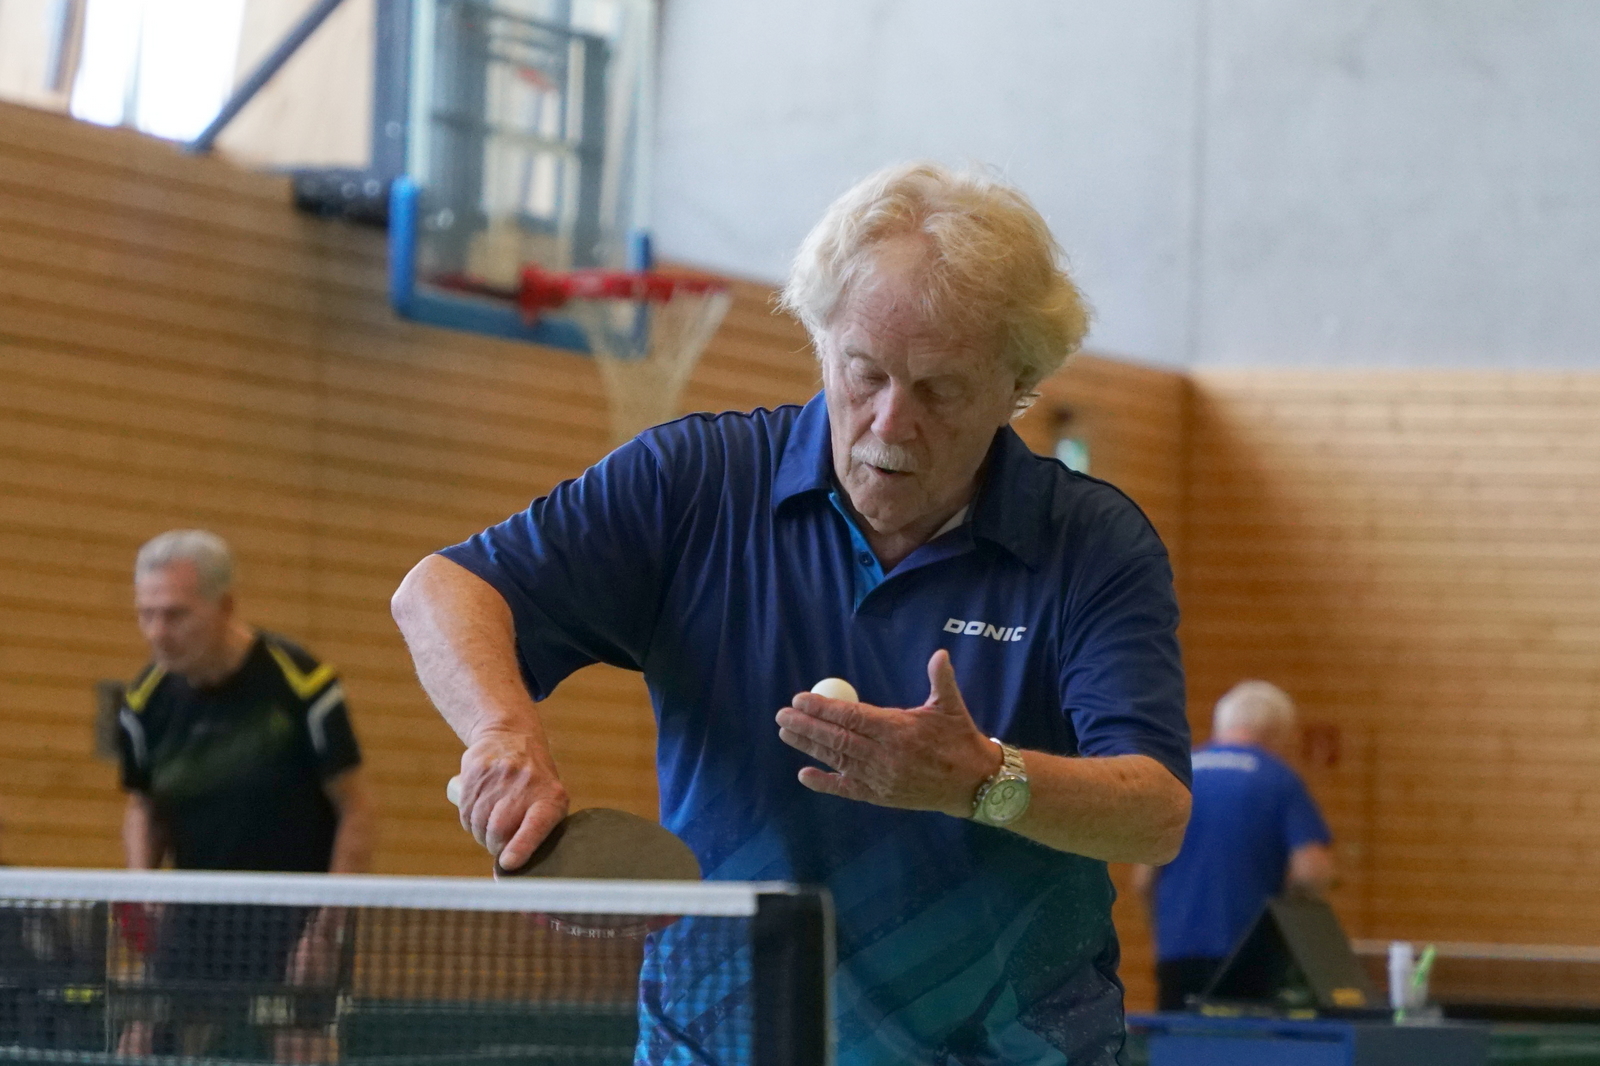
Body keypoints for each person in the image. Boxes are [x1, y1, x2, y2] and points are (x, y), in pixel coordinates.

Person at [391, 162, 1193, 1065]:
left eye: (940, 390)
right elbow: (442, 589)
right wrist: (501, 734)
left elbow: (1154, 812)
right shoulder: (697, 486)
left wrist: (980, 780)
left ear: (1018, 386)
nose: (890, 422)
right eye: (865, 372)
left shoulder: (1092, 544)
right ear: (822, 340)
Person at [116, 529, 374, 1060]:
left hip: (295, 911)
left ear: (225, 606)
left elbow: (356, 808)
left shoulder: (302, 685)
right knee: (139, 1045)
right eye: (146, 614)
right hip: (197, 910)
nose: (158, 633)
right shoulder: (144, 703)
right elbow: (143, 808)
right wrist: (144, 889)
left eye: (175, 615)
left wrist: (326, 928)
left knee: (300, 1049)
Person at [1136, 680, 1335, 1012]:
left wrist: (1163, 940)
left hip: (1177, 955)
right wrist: (1289, 925)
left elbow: (1144, 880)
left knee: (1179, 1040)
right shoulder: (1279, 779)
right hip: (1250, 958)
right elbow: (1311, 874)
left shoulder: (1179, 776)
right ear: (1277, 732)